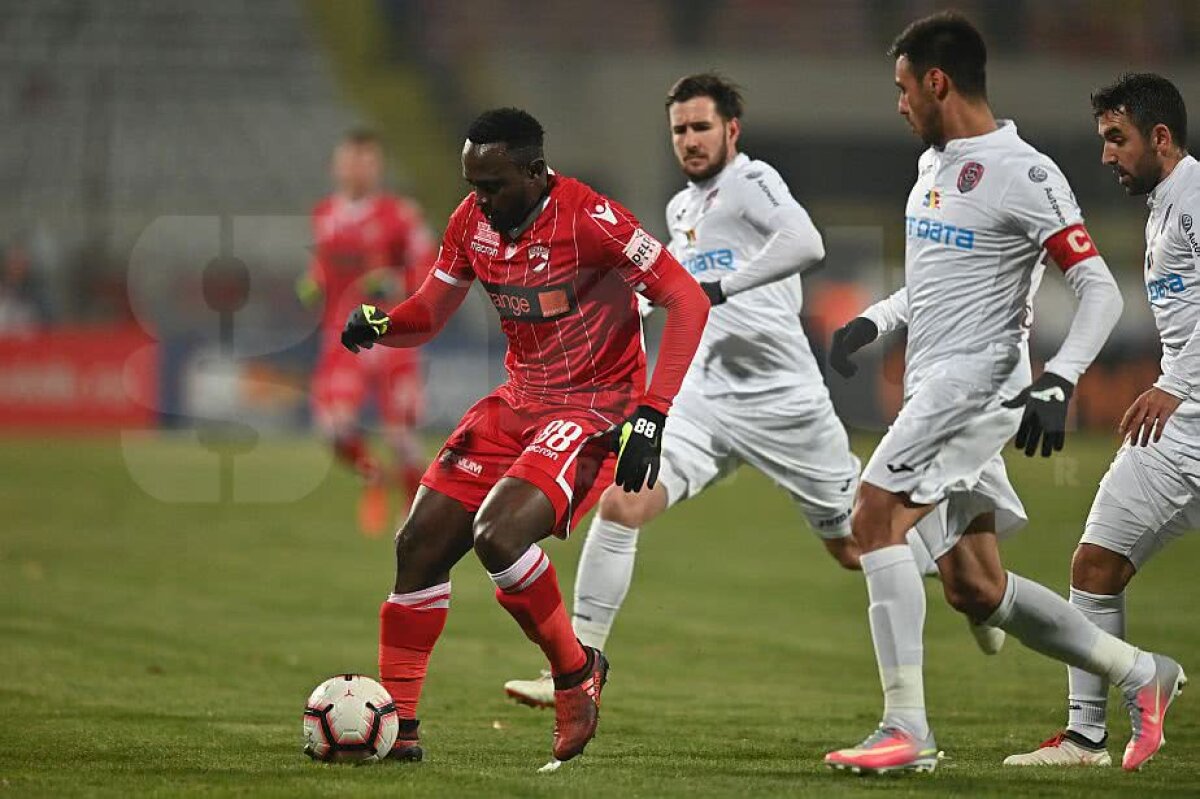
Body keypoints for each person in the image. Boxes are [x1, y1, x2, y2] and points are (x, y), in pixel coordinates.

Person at [502, 72, 978, 710]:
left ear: (731, 130)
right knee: (621, 502)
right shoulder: (683, 207)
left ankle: (964, 572)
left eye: (701, 127)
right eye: (679, 130)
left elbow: (806, 242)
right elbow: (674, 276)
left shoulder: (751, 182)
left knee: (854, 548)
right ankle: (578, 668)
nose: (690, 141)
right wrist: (628, 307)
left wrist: (723, 289)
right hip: (704, 401)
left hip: (785, 405)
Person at [823, 12, 1184, 775]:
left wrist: (1059, 378)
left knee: (873, 514)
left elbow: (1098, 293)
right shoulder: (932, 169)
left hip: (977, 383)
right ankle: (1139, 670)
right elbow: (932, 285)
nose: (897, 105)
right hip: (931, 380)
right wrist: (876, 319)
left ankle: (906, 728)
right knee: (975, 587)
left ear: (937, 82)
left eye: (902, 89)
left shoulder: (1027, 172)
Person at [339, 108, 709, 763]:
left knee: (498, 535)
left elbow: (687, 298)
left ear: (536, 172)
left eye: (493, 185)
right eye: (472, 185)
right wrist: (383, 324)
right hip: (517, 401)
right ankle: (399, 728)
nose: (479, 200)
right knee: (419, 544)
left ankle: (575, 674)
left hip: (593, 407)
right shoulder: (470, 222)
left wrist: (652, 413)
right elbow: (429, 310)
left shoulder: (591, 219)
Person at [1005, 73, 1199, 768]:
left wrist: (1173, 383)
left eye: (1117, 139)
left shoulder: (1197, 197)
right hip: (1180, 431)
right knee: (1093, 566)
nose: (1107, 155)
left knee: (1092, 565)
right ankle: (1086, 735)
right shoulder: (1163, 207)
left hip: (1186, 409)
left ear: (1161, 137)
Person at [300, 129, 435, 536]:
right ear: (337, 166)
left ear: (378, 167)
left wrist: (395, 281)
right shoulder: (323, 214)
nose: (359, 168)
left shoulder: (401, 215)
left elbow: (429, 269)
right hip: (343, 339)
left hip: (390, 334)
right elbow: (325, 265)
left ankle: (412, 507)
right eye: (352, 159)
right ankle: (373, 474)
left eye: (368, 160)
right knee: (333, 428)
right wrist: (313, 281)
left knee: (402, 438)